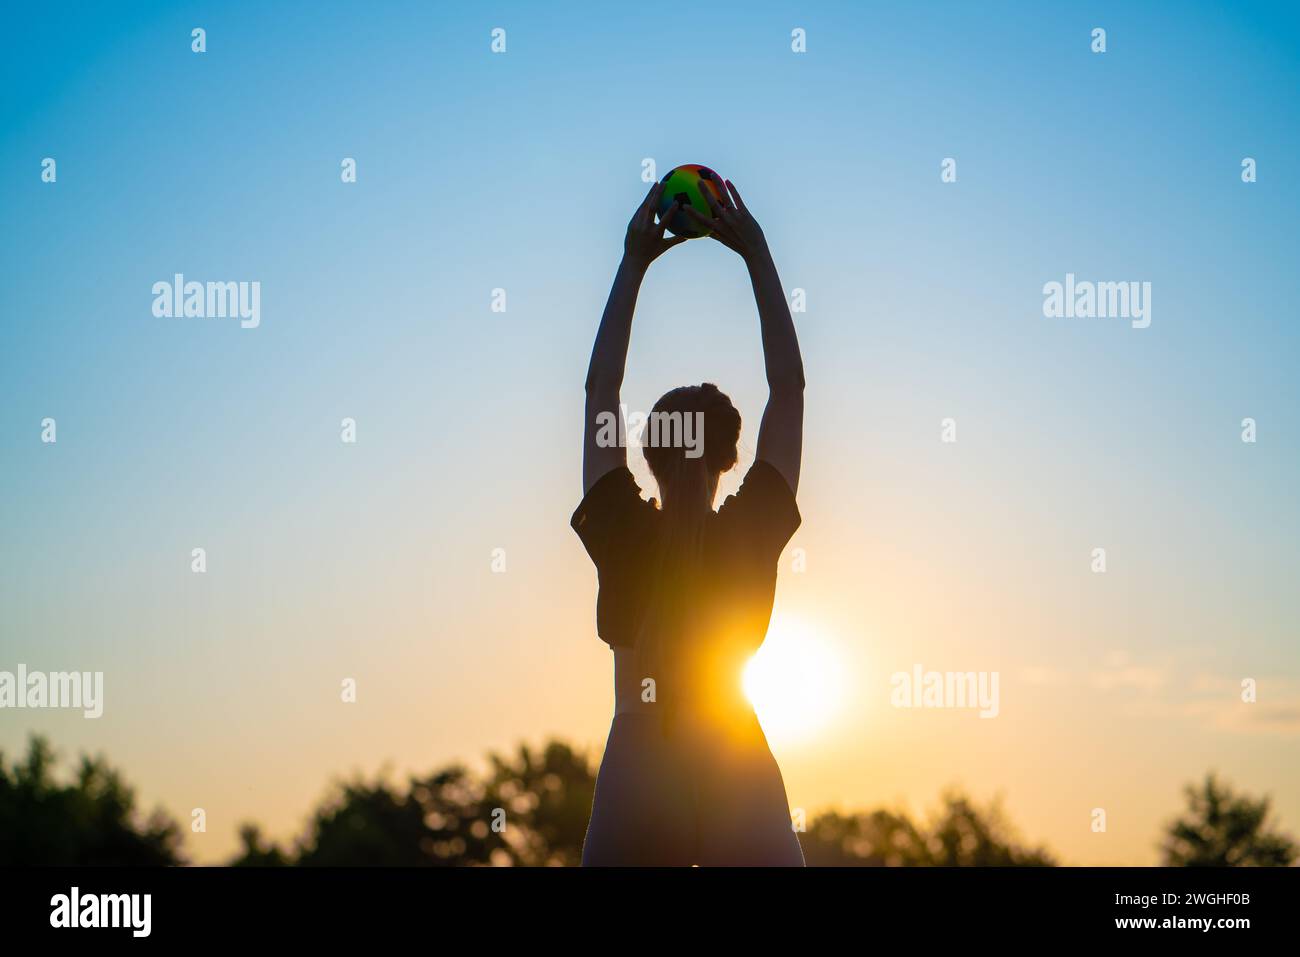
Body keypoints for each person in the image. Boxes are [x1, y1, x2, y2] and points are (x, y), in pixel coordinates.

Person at [572, 174, 807, 865]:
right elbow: (788, 387)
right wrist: (757, 253)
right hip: (734, 752)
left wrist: (633, 262)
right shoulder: (749, 526)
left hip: (639, 758)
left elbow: (600, 389)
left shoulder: (623, 527)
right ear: (729, 458)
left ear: (647, 459)